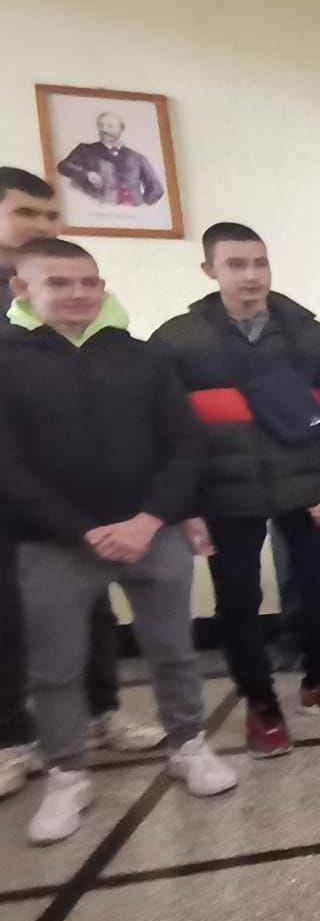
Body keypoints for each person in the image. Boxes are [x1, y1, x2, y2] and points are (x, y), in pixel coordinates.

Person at [0, 240, 237, 844]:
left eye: (89, 281)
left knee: (173, 649)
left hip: (152, 533)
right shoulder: (8, 360)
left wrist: (150, 519)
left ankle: (188, 744)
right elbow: (8, 467)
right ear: (23, 290)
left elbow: (184, 444)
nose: (78, 293)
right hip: (54, 544)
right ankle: (67, 774)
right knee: (55, 668)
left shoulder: (143, 357)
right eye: (59, 283)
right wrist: (81, 530)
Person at [152, 222, 320, 758]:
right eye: (236, 264)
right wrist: (183, 508)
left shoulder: (310, 337)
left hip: (309, 487)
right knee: (238, 601)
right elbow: (163, 433)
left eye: (260, 262)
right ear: (209, 269)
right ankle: (260, 701)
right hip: (223, 495)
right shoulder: (177, 342)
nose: (251, 275)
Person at [0, 171, 158, 800]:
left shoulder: (89, 297)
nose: (43, 225)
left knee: (91, 606)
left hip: (79, 493)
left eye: (50, 215)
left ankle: (100, 714)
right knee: (9, 614)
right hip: (11, 492)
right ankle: (11, 739)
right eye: (27, 213)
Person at [56, 111, 165, 209]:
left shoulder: (137, 157)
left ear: (121, 129)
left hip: (132, 215)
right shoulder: (85, 150)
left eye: (110, 126)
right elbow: (63, 166)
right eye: (101, 126)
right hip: (99, 211)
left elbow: (156, 188)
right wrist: (86, 174)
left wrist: (141, 208)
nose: (104, 129)